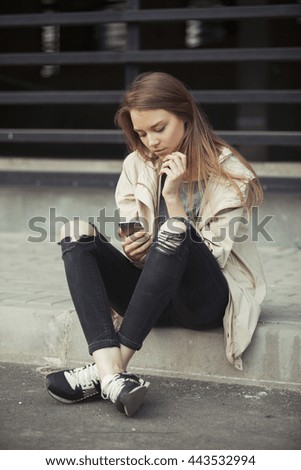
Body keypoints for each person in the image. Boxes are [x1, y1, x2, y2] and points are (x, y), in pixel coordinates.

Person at [46, 72, 267, 417]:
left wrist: (171, 197)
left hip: (204, 301)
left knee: (176, 231)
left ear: (186, 117)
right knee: (75, 230)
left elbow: (212, 257)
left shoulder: (231, 173)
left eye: (159, 128)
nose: (150, 141)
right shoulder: (137, 164)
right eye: (141, 132)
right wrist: (134, 250)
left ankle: (110, 369)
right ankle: (112, 376)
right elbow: (134, 229)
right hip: (152, 293)